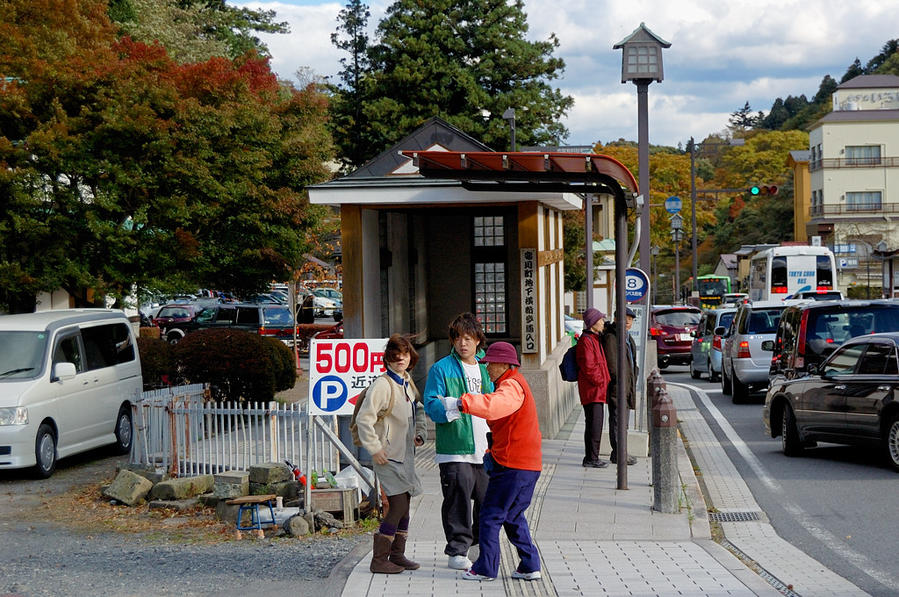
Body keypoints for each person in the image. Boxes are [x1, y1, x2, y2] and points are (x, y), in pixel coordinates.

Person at [439, 342, 542, 582]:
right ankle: (529, 564)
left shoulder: (511, 385)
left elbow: (494, 406)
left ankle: (485, 568)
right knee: (513, 516)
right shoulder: (513, 383)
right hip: (528, 464)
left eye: (491, 363)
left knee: (490, 515)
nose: (487, 367)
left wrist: (460, 403)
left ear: (506, 364)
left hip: (512, 465)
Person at [423, 313, 493, 570]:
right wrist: (455, 406)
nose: (463, 343)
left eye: (468, 338)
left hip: (486, 447)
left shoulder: (488, 367)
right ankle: (457, 550)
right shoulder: (441, 368)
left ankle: (478, 546)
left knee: (488, 499)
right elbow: (431, 405)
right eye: (458, 338)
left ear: (477, 340)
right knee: (458, 500)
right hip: (454, 448)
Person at [355, 334, 428, 574]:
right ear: (387, 359)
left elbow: (417, 409)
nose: (400, 359)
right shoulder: (383, 384)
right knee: (397, 506)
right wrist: (374, 449)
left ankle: (397, 555)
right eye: (395, 356)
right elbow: (364, 419)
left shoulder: (406, 381)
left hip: (403, 455)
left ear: (410, 357)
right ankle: (379, 560)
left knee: (404, 505)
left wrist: (420, 433)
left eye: (404, 355)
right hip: (387, 456)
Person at [601, 307, 638, 466]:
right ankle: (618, 453)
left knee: (624, 420)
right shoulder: (612, 337)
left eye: (631, 319)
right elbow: (612, 364)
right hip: (618, 385)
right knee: (617, 419)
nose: (628, 322)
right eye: (625, 318)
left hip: (627, 384)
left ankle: (620, 451)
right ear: (616, 319)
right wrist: (619, 380)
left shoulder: (627, 337)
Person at [576, 307, 611, 468]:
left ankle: (592, 456)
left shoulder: (594, 338)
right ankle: (591, 458)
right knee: (594, 424)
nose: (603, 322)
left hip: (596, 390)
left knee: (594, 424)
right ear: (593, 323)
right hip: (592, 391)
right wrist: (600, 381)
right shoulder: (586, 341)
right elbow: (589, 367)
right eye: (601, 320)